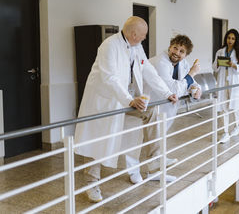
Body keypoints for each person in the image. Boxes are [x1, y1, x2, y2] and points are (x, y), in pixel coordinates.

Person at [74, 16, 178, 203]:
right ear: (134, 33)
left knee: (152, 113)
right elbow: (109, 78)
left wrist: (166, 93)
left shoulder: (136, 47)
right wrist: (129, 100)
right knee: (97, 142)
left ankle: (154, 163)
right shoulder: (109, 46)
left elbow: (148, 71)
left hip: (125, 99)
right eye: (144, 35)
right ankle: (91, 185)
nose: (145, 38)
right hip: (105, 101)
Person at [143, 35, 202, 180]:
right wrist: (192, 73)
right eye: (175, 48)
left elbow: (189, 81)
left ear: (186, 54)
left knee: (159, 136)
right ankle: (154, 169)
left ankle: (158, 161)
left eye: (182, 51)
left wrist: (196, 88)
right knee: (153, 136)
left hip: (167, 107)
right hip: (151, 104)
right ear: (170, 47)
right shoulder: (159, 62)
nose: (177, 52)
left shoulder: (183, 63)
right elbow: (174, 89)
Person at [212, 29, 239, 144]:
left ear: (236, 40)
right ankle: (225, 132)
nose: (230, 40)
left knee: (235, 106)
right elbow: (214, 67)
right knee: (223, 106)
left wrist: (234, 65)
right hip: (223, 81)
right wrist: (218, 63)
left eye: (233, 38)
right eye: (228, 38)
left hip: (233, 82)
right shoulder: (220, 51)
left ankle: (237, 125)